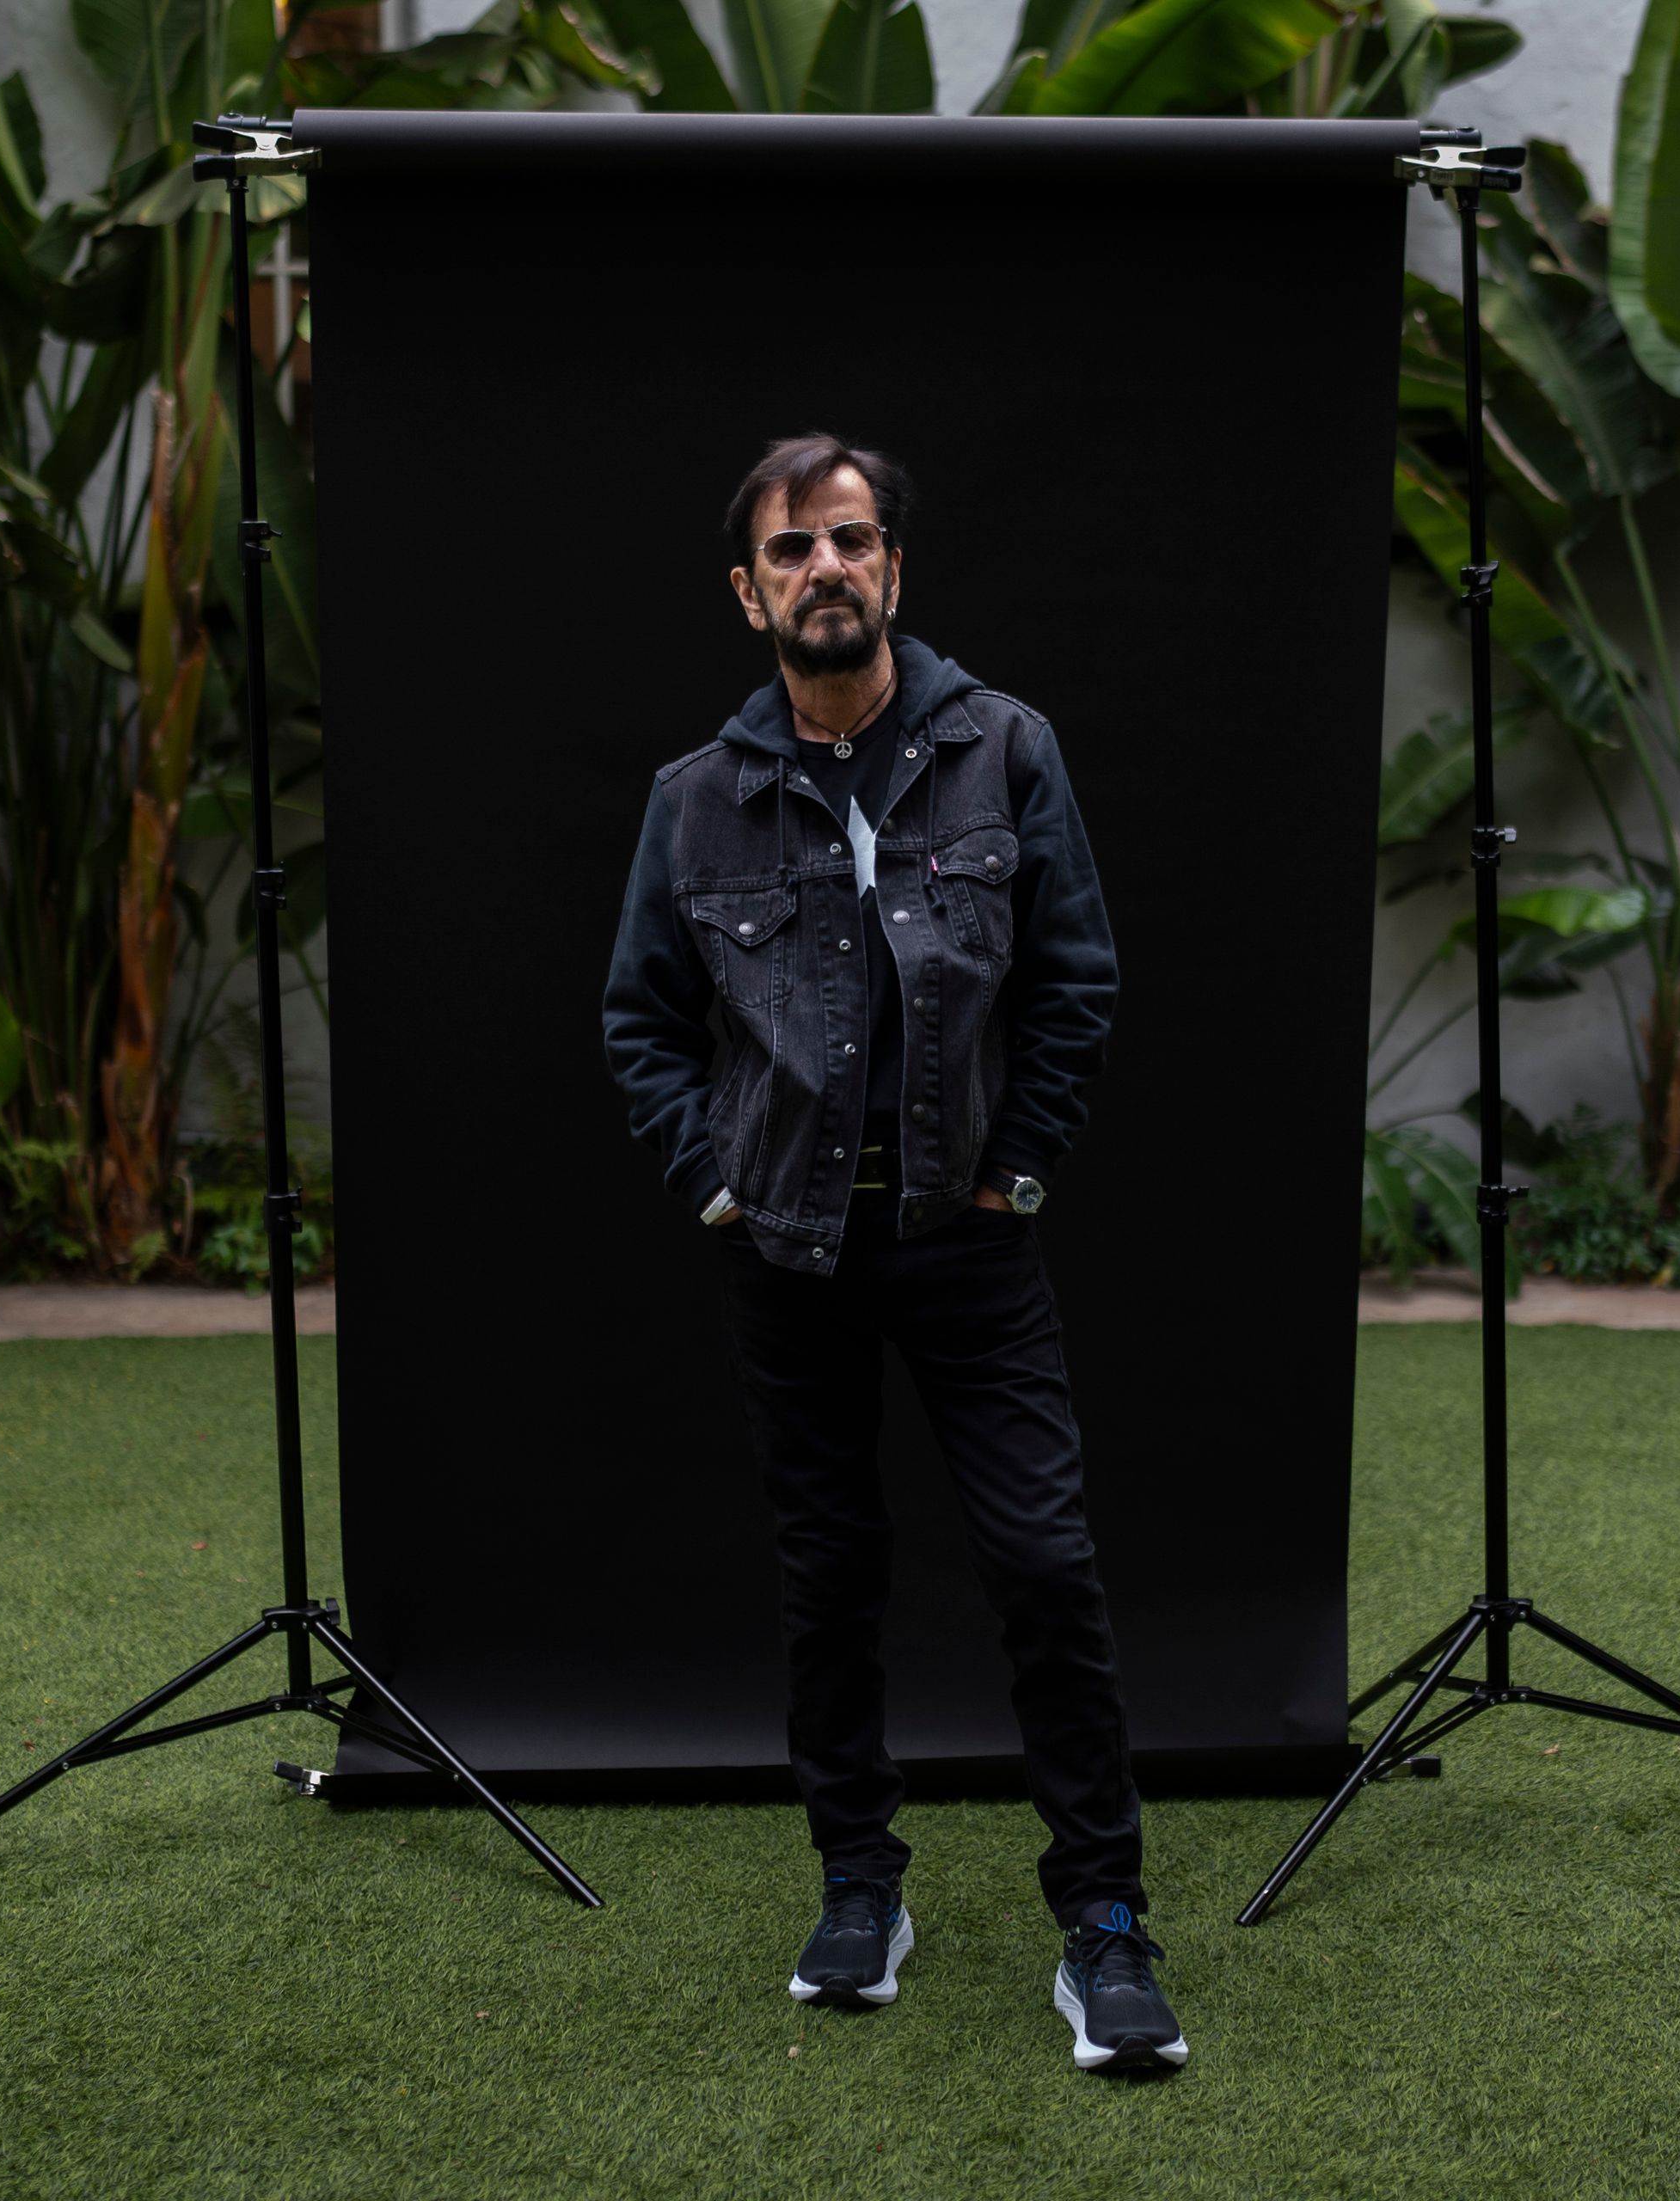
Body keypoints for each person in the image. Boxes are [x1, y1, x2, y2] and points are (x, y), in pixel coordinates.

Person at [601, 432, 1183, 2075]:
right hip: (786, 1253)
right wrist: (715, 1185)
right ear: (749, 594)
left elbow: (1075, 978)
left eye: (851, 541)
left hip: (965, 1245)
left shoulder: (1003, 751)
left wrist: (1017, 1171)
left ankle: (1108, 1924)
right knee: (829, 1581)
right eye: (793, 552)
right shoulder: (694, 802)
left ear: (896, 571)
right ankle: (861, 1883)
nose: (827, 571)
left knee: (1045, 1571)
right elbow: (640, 1022)